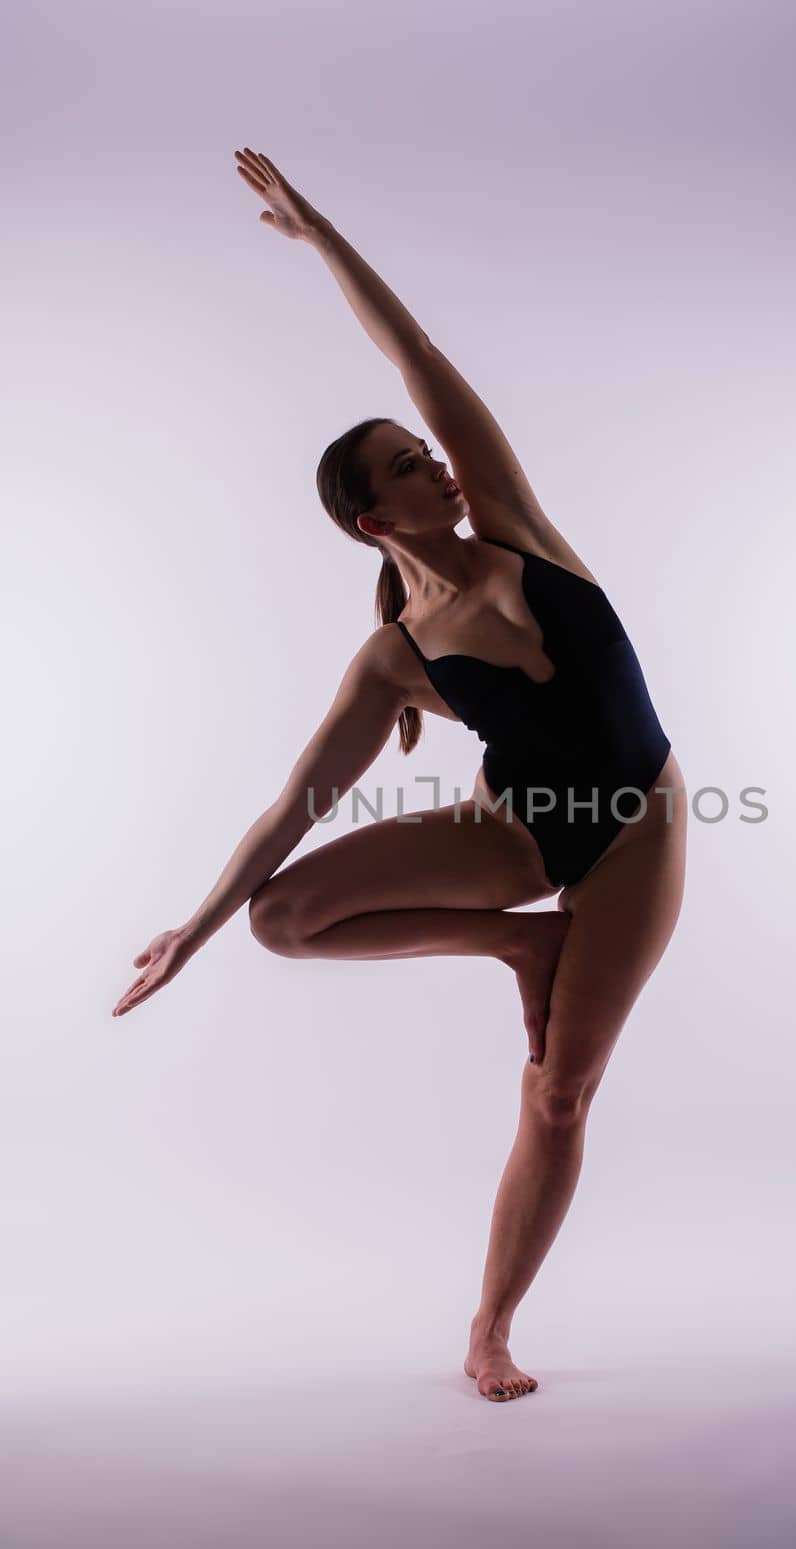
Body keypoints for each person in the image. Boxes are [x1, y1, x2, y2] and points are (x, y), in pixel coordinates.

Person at [113, 149, 688, 1403]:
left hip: (635, 827)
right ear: (375, 522)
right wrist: (194, 932)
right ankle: (515, 951)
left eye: (426, 452)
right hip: (511, 839)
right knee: (282, 919)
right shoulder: (394, 658)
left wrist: (320, 237)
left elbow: (414, 352)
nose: (433, 463)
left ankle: (486, 1322)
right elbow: (294, 807)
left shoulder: (516, 533)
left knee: (559, 1093)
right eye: (406, 466)